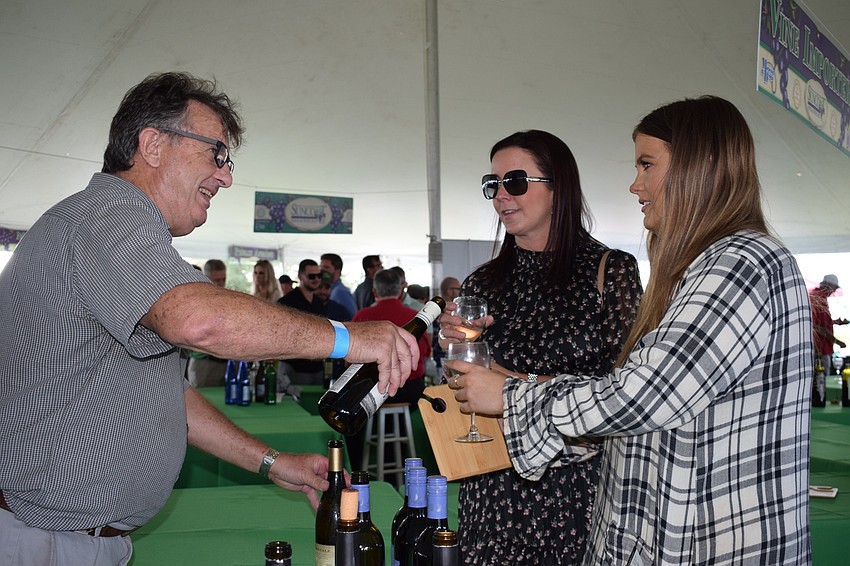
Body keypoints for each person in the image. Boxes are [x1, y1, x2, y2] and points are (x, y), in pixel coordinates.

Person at [0, 72, 418, 566]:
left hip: (78, 538)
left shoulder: (123, 236)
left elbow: (166, 398)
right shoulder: (106, 215)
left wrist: (272, 461)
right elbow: (199, 321)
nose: (226, 176)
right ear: (152, 145)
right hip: (43, 540)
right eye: (215, 153)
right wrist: (349, 338)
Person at [449, 97, 813, 565]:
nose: (634, 184)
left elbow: (646, 394)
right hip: (551, 492)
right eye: (493, 184)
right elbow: (639, 393)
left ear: (697, 166)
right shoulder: (704, 266)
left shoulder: (738, 263)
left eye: (647, 165)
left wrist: (512, 396)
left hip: (701, 539)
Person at [439, 130, 642, 564]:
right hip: (492, 484)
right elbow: (464, 386)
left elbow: (626, 392)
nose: (500, 197)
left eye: (514, 181)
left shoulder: (610, 271)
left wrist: (509, 385)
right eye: (492, 185)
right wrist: (455, 355)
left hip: (578, 488)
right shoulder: (483, 282)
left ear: (558, 186)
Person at [348, 268, 433, 473]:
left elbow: (350, 361)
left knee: (352, 415)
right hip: (410, 391)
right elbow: (426, 355)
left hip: (374, 391)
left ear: (375, 293)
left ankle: (357, 468)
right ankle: (403, 468)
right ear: (400, 290)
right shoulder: (416, 316)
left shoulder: (362, 316)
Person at [277, 259, 326, 385]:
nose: (316, 279)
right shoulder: (287, 302)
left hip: (318, 367)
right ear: (300, 276)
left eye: (319, 275)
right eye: (311, 276)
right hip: (295, 367)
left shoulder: (319, 303)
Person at [186, 259, 229, 387]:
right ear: (206, 277)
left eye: (223, 279)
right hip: (204, 363)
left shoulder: (227, 299)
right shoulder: (195, 299)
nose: (221, 284)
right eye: (217, 280)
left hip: (226, 362)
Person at [810, 274, 848, 371]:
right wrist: (838, 342)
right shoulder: (819, 299)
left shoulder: (817, 296)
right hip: (820, 350)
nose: (834, 291)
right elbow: (818, 327)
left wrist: (835, 322)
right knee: (821, 378)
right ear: (829, 286)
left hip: (819, 348)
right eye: (834, 288)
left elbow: (820, 322)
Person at [432, 276, 461, 375]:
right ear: (450, 291)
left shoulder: (435, 308)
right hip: (444, 359)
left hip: (442, 359)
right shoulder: (444, 311)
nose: (461, 291)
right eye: (458, 289)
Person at [321, 252, 356, 318]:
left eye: (326, 267)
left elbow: (353, 318)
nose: (322, 270)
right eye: (321, 267)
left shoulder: (340, 292)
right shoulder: (331, 289)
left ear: (337, 271)